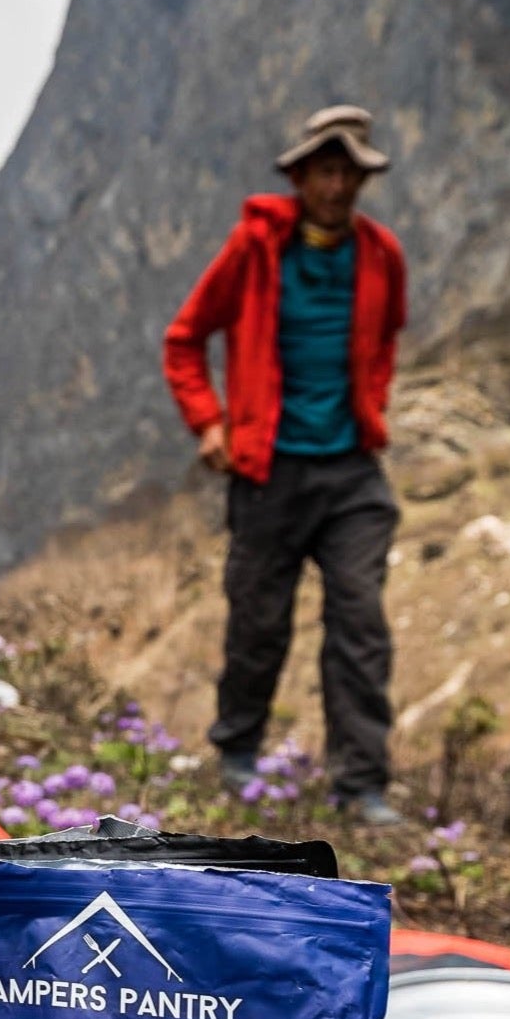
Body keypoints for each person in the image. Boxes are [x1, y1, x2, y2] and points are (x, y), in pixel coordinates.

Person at [163, 105, 407, 825]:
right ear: (300, 175)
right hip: (270, 471)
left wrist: (370, 405)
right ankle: (237, 752)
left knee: (360, 621)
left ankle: (361, 784)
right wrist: (209, 422)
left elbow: (388, 336)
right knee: (259, 621)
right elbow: (185, 339)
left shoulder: (380, 254)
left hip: (352, 471)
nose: (338, 185)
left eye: (350, 172)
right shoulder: (256, 249)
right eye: (326, 170)